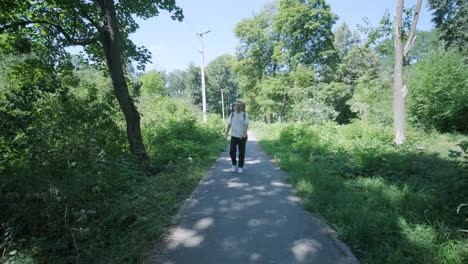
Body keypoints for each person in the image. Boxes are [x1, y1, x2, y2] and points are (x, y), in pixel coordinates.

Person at [224, 100, 249, 173]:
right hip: (233, 136)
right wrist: (226, 134)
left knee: (241, 153)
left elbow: (246, 125)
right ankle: (234, 165)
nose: (238, 106)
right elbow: (229, 125)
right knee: (232, 151)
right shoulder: (232, 114)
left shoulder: (244, 114)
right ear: (235, 106)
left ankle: (240, 167)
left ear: (242, 107)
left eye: (240, 105)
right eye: (237, 105)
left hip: (242, 137)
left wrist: (243, 134)